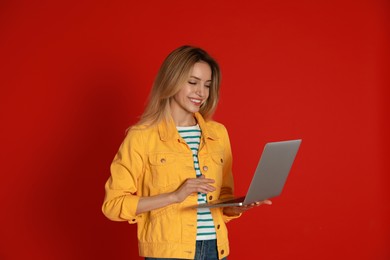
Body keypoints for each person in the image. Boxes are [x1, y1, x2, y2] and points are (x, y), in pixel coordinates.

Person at [102, 45, 272, 260]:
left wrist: (238, 205)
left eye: (207, 85)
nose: (201, 92)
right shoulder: (141, 137)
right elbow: (113, 205)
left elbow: (222, 197)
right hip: (168, 254)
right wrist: (175, 196)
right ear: (171, 81)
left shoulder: (218, 133)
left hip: (215, 250)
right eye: (192, 82)